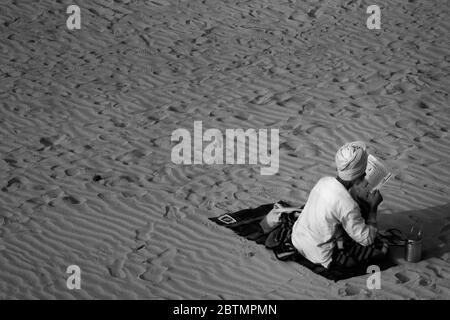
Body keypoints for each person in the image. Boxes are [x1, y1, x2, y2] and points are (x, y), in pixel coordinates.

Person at [291, 141, 387, 270]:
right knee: (382, 249)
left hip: (297, 239)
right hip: (318, 255)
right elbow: (367, 239)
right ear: (359, 175)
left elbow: (337, 203)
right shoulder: (348, 205)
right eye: (364, 171)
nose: (365, 175)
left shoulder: (323, 181)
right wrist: (373, 208)